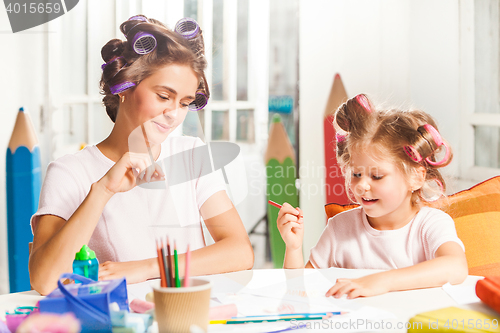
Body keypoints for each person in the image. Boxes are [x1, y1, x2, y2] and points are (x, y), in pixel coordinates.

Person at [29, 15, 254, 295]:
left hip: (187, 313)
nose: (174, 114)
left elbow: (240, 251)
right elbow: (43, 279)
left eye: (184, 103)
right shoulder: (69, 172)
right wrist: (103, 190)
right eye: (163, 96)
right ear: (125, 87)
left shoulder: (191, 154)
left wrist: (148, 267)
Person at [277, 94, 467, 299]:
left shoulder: (430, 225)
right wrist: (294, 248)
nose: (361, 185)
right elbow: (300, 293)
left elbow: (455, 267)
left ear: (415, 178)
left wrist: (381, 281)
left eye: (377, 176)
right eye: (356, 174)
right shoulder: (339, 228)